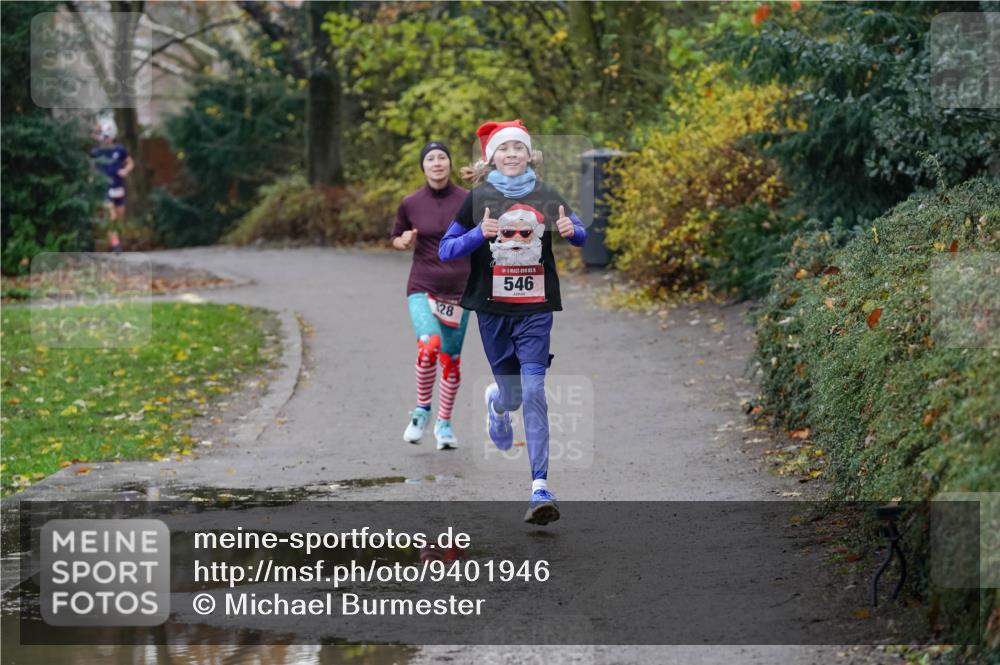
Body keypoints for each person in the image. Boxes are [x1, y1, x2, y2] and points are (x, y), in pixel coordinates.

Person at [439, 120, 587, 525]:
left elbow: (582, 234)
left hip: (536, 309)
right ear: (492, 158)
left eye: (518, 149)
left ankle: (540, 486)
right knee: (514, 395)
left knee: (535, 389)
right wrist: (478, 235)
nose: (511, 155)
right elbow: (447, 249)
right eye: (503, 149)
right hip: (493, 311)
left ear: (529, 154)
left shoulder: (546, 194)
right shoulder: (477, 198)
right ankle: (497, 404)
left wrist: (574, 231)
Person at [391, 142, 471, 450]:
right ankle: (422, 411)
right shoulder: (410, 203)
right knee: (429, 346)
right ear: (423, 167)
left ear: (450, 164)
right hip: (422, 286)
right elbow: (395, 238)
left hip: (460, 293)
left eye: (442, 158)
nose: (437, 163)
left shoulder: (468, 200)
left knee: (451, 360)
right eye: (430, 159)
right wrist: (405, 240)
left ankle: (444, 424)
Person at [89, 118, 133, 253]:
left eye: (107, 136)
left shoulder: (119, 150)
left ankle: (115, 239)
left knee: (119, 216)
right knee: (111, 215)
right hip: (104, 188)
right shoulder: (96, 153)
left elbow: (130, 162)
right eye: (103, 137)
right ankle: (115, 244)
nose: (105, 139)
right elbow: (91, 168)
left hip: (118, 186)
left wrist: (125, 170)